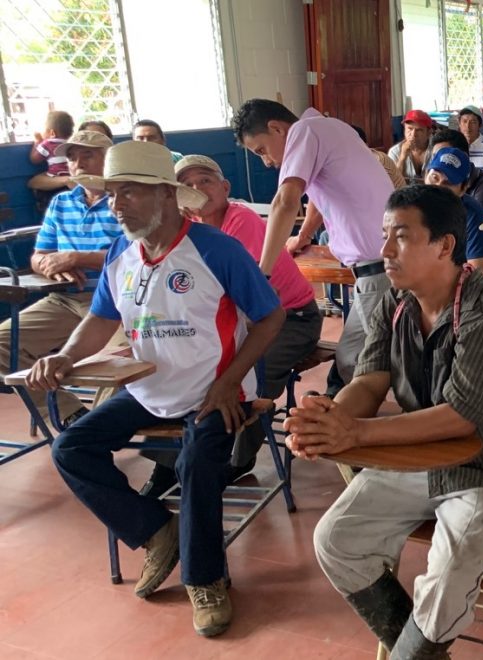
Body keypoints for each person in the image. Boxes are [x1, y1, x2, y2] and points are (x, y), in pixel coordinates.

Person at [33, 140, 284, 638]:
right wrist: (66, 355)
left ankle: (206, 578)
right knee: (72, 447)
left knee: (198, 462)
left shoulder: (215, 250)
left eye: (129, 192)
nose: (116, 204)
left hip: (214, 390)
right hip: (149, 388)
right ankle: (155, 529)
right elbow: (101, 319)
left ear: (167, 197)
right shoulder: (120, 254)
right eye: (111, 194)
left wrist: (230, 381)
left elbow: (271, 315)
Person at [293, 184, 483, 659]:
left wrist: (356, 432)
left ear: (445, 246)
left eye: (401, 237)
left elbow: (460, 416)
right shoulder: (396, 301)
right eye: (385, 235)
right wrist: (329, 418)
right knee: (336, 539)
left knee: (447, 571)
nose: (385, 250)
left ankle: (416, 652)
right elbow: (370, 380)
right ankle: (421, 650)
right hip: (420, 460)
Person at [143, 154, 321, 492]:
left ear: (225, 187)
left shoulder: (241, 221)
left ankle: (238, 459)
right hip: (228, 322)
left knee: (248, 374)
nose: (197, 188)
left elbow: (240, 295)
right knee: (180, 369)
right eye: (187, 184)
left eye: (205, 180)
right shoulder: (184, 232)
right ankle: (166, 467)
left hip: (290, 318)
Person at [231, 98, 393, 387]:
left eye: (261, 150)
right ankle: (339, 419)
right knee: (350, 358)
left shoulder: (305, 132)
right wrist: (303, 236)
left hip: (380, 269)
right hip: (374, 269)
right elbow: (319, 196)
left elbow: (285, 200)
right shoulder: (327, 127)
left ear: (276, 128)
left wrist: (263, 274)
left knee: (376, 361)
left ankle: (379, 425)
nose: (266, 161)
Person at [0, 129, 120, 427]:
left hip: (118, 299)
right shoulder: (62, 202)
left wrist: (77, 257)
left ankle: (102, 430)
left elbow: (141, 253)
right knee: (2, 344)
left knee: (120, 358)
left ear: (110, 159)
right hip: (65, 296)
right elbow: (39, 255)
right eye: (71, 157)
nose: (77, 163)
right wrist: (48, 263)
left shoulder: (126, 198)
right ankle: (72, 416)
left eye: (87, 155)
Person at [430, 128, 483, 278]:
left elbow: (476, 271)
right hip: (457, 254)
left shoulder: (481, 194)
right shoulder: (417, 204)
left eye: (447, 183)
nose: (439, 186)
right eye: (436, 157)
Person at [423, 147, 483, 274]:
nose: (438, 187)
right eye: (434, 178)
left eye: (448, 183)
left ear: (463, 189)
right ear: (425, 176)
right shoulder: (412, 207)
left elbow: (479, 275)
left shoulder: (473, 214)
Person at [27, 110, 74, 193]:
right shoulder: (72, 144)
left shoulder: (48, 144)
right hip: (72, 177)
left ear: (52, 133)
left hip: (54, 178)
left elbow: (34, 159)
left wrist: (37, 141)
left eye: (45, 130)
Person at [387, 109, 435, 182]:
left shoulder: (437, 150)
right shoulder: (395, 151)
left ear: (429, 132)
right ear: (404, 130)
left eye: (419, 130)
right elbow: (393, 181)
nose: (413, 134)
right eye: (409, 129)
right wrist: (402, 158)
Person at [457, 105, 483, 171]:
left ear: (479, 125)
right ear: (459, 124)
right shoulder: (454, 146)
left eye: (473, 122)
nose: (468, 126)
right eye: (464, 121)